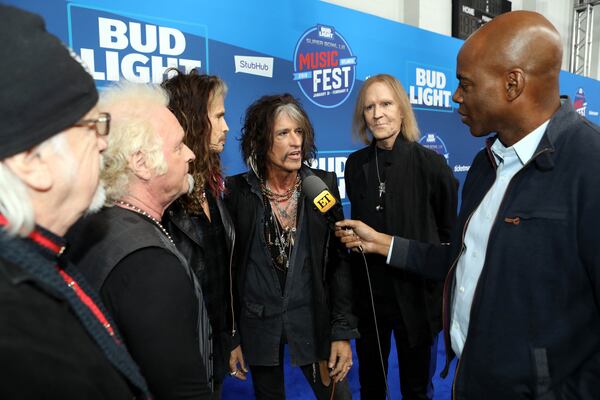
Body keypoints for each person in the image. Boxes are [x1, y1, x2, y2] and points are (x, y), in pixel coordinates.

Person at [336, 10, 600, 400]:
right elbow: (460, 259)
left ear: (513, 84)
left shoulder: (589, 165)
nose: (456, 96)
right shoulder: (483, 165)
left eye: (465, 84)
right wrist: (383, 243)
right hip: (470, 379)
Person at [0, 6, 149, 399]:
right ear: (32, 162)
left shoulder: (44, 260)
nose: (104, 141)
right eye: (93, 125)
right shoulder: (19, 334)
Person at [66, 82, 216, 399]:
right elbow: (181, 391)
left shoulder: (89, 225)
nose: (190, 154)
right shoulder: (149, 264)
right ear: (141, 162)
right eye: (178, 147)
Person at [224, 94, 358, 399]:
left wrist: (341, 333)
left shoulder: (321, 186)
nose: (295, 141)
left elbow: (338, 263)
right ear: (260, 141)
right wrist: (231, 336)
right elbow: (230, 272)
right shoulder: (237, 193)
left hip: (313, 320)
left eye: (299, 132)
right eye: (283, 133)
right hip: (259, 323)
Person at [345, 74, 457, 399]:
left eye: (385, 104)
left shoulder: (432, 166)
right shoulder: (355, 166)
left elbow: (448, 240)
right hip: (370, 301)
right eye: (369, 107)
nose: (377, 113)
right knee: (371, 387)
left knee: (416, 389)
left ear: (402, 109)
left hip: (417, 301)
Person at [161, 70, 246, 394]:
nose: (226, 127)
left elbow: (220, 273)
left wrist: (230, 339)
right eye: (219, 116)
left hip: (214, 350)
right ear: (194, 120)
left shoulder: (210, 188)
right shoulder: (163, 200)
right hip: (180, 359)